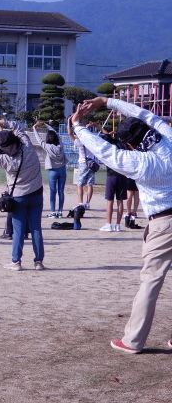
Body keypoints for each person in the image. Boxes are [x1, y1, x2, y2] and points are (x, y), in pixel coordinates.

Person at [72, 96, 172, 354]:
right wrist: (107, 101)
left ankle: (134, 340)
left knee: (151, 280)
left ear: (131, 143)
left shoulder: (142, 163)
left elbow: (107, 152)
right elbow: (146, 115)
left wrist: (79, 126)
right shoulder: (168, 138)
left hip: (164, 223)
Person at [0, 118, 45, 271]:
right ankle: (38, 261)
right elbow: (15, 126)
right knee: (36, 229)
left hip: (19, 197)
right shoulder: (28, 146)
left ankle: (16, 261)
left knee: (18, 230)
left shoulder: (6, 160)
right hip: (36, 194)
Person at [33, 121, 67, 218]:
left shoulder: (47, 147)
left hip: (52, 170)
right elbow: (55, 133)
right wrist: (47, 125)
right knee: (61, 191)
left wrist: (34, 128)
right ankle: (60, 211)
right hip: (62, 169)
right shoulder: (60, 145)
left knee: (53, 191)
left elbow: (39, 140)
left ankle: (52, 211)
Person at [67, 117, 95, 209]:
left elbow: (69, 133)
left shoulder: (79, 141)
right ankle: (88, 203)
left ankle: (80, 202)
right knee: (90, 184)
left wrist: (69, 122)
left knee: (80, 184)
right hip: (92, 163)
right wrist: (84, 120)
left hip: (83, 162)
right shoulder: (92, 140)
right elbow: (84, 128)